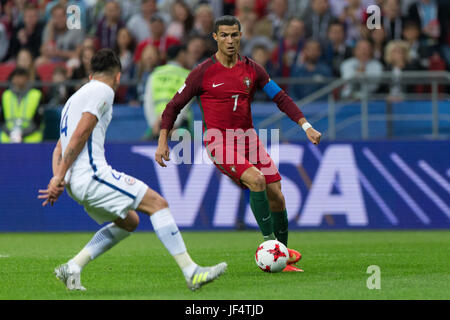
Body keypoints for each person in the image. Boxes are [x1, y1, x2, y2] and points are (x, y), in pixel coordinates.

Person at [37, 48, 226, 291]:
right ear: (118, 77)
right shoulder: (102, 90)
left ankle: (73, 266)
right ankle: (191, 272)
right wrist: (59, 177)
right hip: (92, 175)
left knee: (130, 220)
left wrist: (59, 177)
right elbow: (81, 134)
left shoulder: (74, 98)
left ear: (90, 72)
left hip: (77, 181)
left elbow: (59, 147)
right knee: (158, 204)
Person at [155, 16, 322, 272]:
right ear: (215, 37)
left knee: (276, 195)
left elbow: (281, 98)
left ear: (241, 35)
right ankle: (271, 248)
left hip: (248, 139)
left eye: (234, 35)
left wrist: (306, 126)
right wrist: (163, 140)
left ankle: (283, 257)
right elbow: (173, 106)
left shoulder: (253, 69)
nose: (230, 40)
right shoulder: (203, 72)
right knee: (256, 180)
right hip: (218, 141)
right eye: (224, 35)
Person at [143, 45, 193, 139]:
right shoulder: (187, 76)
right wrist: (174, 123)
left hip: (157, 126)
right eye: (187, 54)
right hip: (179, 127)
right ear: (181, 55)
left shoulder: (154, 75)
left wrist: (154, 123)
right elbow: (185, 104)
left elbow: (148, 102)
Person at [0, 68, 44, 143]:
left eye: (22, 76)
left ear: (27, 79)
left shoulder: (36, 95)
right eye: (17, 76)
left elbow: (38, 122)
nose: (19, 80)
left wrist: (21, 134)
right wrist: (12, 133)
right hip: (8, 138)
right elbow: (2, 120)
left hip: (31, 139)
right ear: (12, 79)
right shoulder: (6, 95)